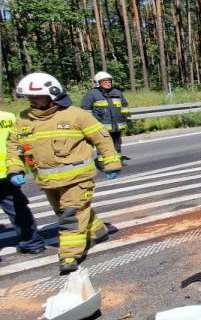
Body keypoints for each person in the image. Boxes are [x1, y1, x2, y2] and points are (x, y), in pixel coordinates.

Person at [7, 73, 121, 274]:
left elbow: (102, 138)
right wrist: (15, 168)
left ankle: (69, 255)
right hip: (47, 182)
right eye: (29, 98)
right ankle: (98, 231)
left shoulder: (76, 115)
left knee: (70, 216)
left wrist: (111, 162)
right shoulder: (23, 119)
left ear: (53, 95)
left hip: (78, 180)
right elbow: (13, 146)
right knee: (68, 212)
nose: (32, 101)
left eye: (37, 97)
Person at [0, 109, 45, 260]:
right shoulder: (8, 117)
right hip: (7, 172)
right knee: (17, 209)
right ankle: (32, 244)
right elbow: (20, 142)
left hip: (8, 172)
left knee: (18, 210)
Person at [80, 71, 129, 157]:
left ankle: (118, 160)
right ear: (98, 83)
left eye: (109, 82)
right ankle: (102, 162)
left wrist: (125, 119)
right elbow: (86, 110)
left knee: (117, 145)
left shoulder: (117, 92)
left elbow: (124, 106)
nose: (108, 84)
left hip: (116, 127)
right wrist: (90, 124)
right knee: (103, 146)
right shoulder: (92, 94)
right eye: (105, 82)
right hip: (101, 127)